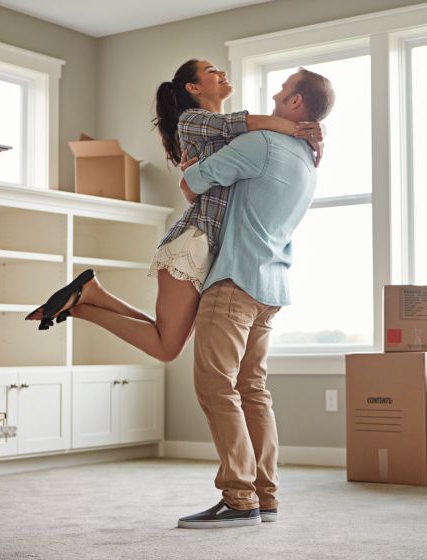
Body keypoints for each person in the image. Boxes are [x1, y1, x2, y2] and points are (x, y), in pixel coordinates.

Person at [25, 60, 323, 364]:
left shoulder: (237, 139)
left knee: (166, 338)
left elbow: (213, 179)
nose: (221, 73)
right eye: (211, 71)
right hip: (192, 244)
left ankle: (90, 295)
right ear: (192, 88)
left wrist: (315, 132)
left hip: (207, 249)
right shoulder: (192, 120)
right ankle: (83, 304)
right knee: (167, 347)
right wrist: (296, 128)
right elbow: (239, 124)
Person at [176, 68, 335, 529]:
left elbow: (191, 186)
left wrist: (192, 170)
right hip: (271, 288)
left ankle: (239, 498)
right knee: (252, 390)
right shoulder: (308, 158)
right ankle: (265, 495)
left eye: (284, 91)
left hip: (234, 281)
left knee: (215, 386)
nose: (275, 94)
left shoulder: (261, 145)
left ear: (298, 103)